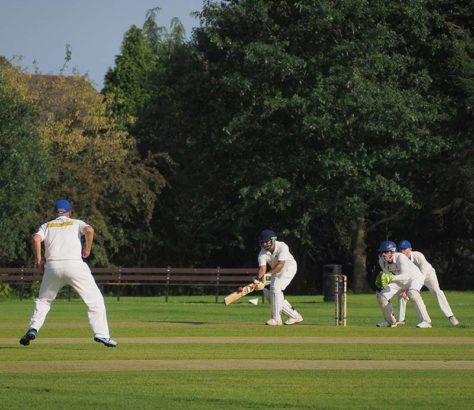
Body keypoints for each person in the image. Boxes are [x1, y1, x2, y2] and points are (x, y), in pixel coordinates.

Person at [19, 199, 117, 347]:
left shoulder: (46, 226)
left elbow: (36, 238)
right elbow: (90, 230)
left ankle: (33, 328)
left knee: (44, 300)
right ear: (70, 212)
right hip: (74, 265)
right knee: (95, 300)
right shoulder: (77, 222)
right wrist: (87, 249)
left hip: (52, 267)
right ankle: (101, 334)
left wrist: (39, 260)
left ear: (55, 212)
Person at [396, 240, 459, 326]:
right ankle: (401, 320)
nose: (402, 252)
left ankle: (451, 316)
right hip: (413, 277)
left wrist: (414, 289)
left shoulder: (418, 255)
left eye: (404, 249)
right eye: (400, 250)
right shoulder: (400, 259)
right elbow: (403, 274)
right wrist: (405, 289)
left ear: (410, 249)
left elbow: (423, 274)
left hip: (428, 274)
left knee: (437, 291)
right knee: (402, 294)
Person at [375, 240, 432, 328]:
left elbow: (406, 275)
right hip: (399, 280)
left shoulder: (400, 257)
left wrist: (391, 278)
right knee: (381, 296)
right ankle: (390, 322)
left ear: (392, 251)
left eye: (385, 252)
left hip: (414, 278)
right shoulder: (381, 261)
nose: (383, 254)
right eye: (382, 252)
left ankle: (426, 322)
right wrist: (384, 281)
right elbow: (388, 275)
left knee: (412, 293)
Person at [256, 229, 303, 326]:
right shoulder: (262, 253)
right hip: (276, 271)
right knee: (269, 294)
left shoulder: (282, 246)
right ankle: (295, 316)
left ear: (273, 240)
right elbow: (262, 269)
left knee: (276, 288)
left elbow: (281, 264)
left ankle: (276, 319)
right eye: (262, 242)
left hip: (289, 267)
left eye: (266, 242)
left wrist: (268, 275)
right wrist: (259, 281)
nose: (264, 245)